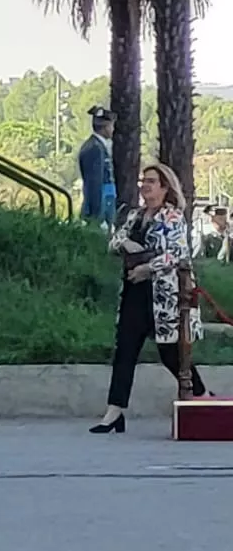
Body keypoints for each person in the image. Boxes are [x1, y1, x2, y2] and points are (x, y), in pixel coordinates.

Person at [92, 162, 208, 433]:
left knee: (171, 353)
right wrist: (126, 245)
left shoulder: (173, 217)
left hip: (164, 295)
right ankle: (114, 411)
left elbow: (177, 254)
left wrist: (148, 267)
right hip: (134, 291)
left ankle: (201, 395)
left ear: (164, 188)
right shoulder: (135, 215)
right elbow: (115, 240)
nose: (144, 186)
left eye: (151, 181)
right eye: (143, 181)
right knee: (125, 350)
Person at [78, 107, 117, 225]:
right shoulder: (95, 148)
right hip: (102, 206)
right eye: (111, 126)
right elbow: (94, 183)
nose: (113, 129)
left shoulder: (98, 146)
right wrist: (97, 214)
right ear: (105, 126)